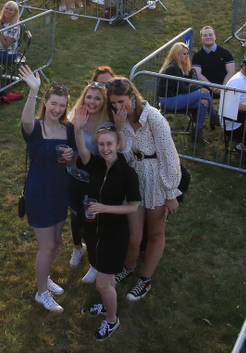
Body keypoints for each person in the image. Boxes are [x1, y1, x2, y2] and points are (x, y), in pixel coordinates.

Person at [106, 77, 181, 302]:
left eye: (121, 101)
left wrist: (170, 192)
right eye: (113, 103)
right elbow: (122, 153)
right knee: (134, 235)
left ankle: (145, 278)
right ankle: (128, 266)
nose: (118, 107)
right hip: (135, 179)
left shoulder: (154, 118)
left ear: (132, 96)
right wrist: (119, 127)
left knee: (155, 233)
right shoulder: (121, 120)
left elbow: (169, 155)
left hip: (157, 178)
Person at [19, 64, 84, 313]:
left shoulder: (66, 129)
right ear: (46, 103)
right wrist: (32, 91)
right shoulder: (35, 128)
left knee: (56, 242)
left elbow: (76, 154)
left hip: (60, 192)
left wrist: (72, 153)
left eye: (61, 104)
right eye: (53, 103)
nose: (57, 109)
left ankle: (44, 277)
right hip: (39, 193)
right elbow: (25, 121)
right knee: (46, 246)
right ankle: (41, 293)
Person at [78, 124, 141, 341]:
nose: (105, 148)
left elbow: (133, 206)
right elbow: (83, 152)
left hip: (114, 233)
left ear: (118, 144)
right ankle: (106, 306)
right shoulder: (97, 165)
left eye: (109, 144)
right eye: (102, 144)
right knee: (108, 280)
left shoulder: (127, 173)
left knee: (102, 282)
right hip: (96, 230)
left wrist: (105, 208)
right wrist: (77, 129)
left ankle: (112, 320)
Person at [66, 81, 110, 277]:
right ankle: (77, 248)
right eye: (89, 97)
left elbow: (87, 158)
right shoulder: (73, 116)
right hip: (72, 176)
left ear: (104, 101)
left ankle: (95, 262)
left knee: (91, 221)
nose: (92, 102)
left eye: (98, 98)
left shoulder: (106, 124)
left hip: (93, 180)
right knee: (75, 217)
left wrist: (78, 131)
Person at [157, 42, 215, 145]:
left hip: (176, 98)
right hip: (168, 101)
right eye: (184, 54)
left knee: (204, 102)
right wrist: (199, 87)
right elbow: (183, 89)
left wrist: (190, 78)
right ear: (176, 54)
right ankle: (214, 117)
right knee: (204, 93)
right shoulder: (172, 68)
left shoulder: (179, 67)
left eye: (188, 53)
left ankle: (197, 136)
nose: (187, 56)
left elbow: (184, 87)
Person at [191, 26, 236, 95]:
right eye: (205, 35)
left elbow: (231, 72)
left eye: (210, 35)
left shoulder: (225, 53)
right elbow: (198, 75)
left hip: (225, 87)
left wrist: (223, 88)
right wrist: (213, 87)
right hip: (205, 88)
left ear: (215, 37)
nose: (208, 37)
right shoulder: (197, 56)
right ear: (201, 39)